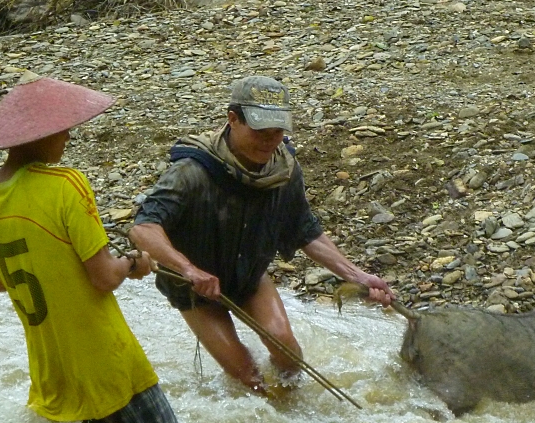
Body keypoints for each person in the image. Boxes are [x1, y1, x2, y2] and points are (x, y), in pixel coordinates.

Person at [129, 75, 394, 396]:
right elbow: (143, 228)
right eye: (260, 131)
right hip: (196, 289)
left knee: (289, 353)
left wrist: (358, 276)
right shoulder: (191, 172)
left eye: (277, 132)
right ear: (233, 119)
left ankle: (293, 409)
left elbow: (305, 231)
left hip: (249, 274)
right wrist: (188, 269)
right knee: (248, 377)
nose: (269, 141)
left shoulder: (284, 169)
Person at [0, 75, 185, 423]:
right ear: (37, 134)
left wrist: (56, 269)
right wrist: (134, 263)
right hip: (108, 363)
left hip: (54, 377)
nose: (68, 137)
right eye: (63, 130)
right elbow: (103, 277)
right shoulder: (66, 185)